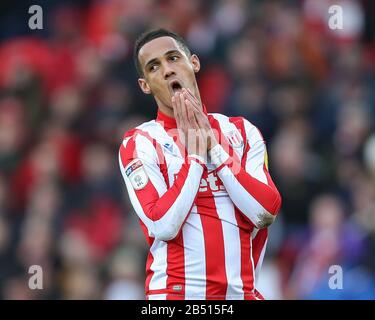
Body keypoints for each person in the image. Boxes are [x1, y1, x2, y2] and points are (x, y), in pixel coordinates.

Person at [118, 28, 282, 300]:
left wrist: (215, 151)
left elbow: (265, 211)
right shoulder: (140, 142)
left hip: (241, 295)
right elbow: (163, 225)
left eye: (173, 58)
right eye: (154, 66)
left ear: (193, 62)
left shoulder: (241, 131)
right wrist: (195, 157)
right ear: (145, 85)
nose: (168, 70)